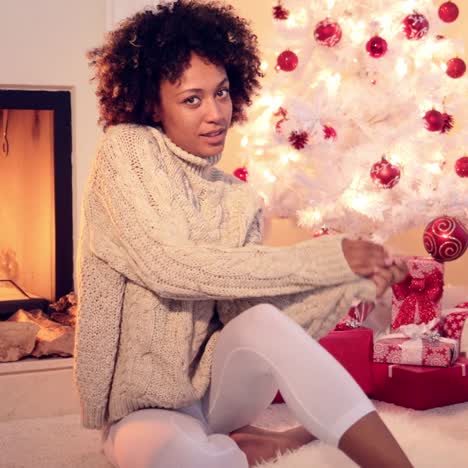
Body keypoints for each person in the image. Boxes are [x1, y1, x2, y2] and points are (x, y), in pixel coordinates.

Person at [74, 1, 412, 467]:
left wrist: (349, 284)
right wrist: (330, 258)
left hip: (219, 391)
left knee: (261, 321)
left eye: (222, 93)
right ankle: (255, 445)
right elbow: (170, 265)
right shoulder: (125, 153)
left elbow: (251, 315)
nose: (215, 114)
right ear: (152, 102)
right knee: (188, 460)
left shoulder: (239, 199)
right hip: (145, 406)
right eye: (192, 99)